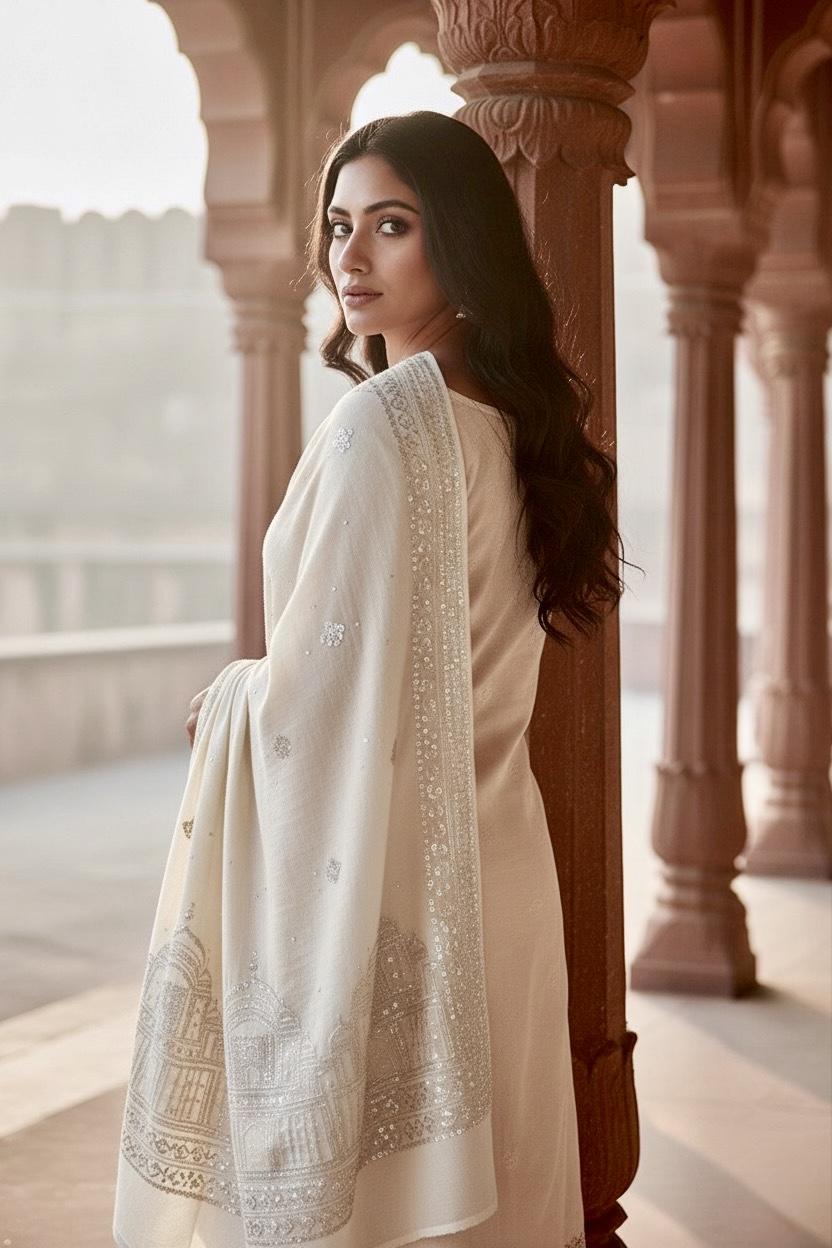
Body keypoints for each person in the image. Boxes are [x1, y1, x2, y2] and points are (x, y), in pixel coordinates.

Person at [114, 111, 620, 1248]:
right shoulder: (507, 429)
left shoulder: (383, 426)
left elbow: (318, 704)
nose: (350, 257)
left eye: (390, 226)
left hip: (406, 902)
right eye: (337, 226)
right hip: (504, 886)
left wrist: (234, 699)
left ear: (461, 240)